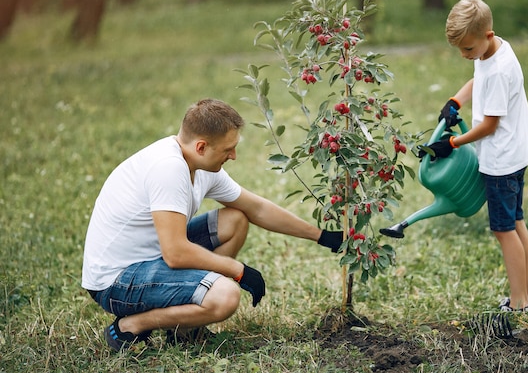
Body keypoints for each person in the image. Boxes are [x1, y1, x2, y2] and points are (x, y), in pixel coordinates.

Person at [81, 98, 343, 351]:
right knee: (225, 296)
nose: (234, 156)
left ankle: (183, 329)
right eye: (228, 149)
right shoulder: (168, 169)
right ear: (201, 147)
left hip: (151, 259)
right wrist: (237, 270)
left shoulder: (200, 165)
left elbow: (257, 208)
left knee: (236, 219)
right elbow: (175, 253)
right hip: (116, 281)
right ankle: (131, 325)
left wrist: (321, 236)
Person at [419, 0, 528, 312]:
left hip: (501, 161)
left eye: (468, 49)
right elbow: (478, 77)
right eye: (460, 50)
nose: (464, 55)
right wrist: (455, 102)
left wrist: (452, 144)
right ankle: (525, 295)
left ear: (486, 36)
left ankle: (518, 303)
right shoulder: (494, 49)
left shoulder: (500, 70)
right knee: (516, 223)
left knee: (504, 230)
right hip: (515, 152)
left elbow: (489, 125)